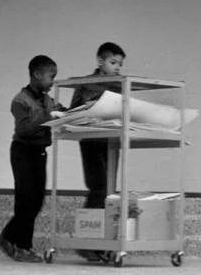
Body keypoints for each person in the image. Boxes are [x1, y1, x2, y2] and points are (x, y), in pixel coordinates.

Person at [0, 55, 67, 264]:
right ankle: (22, 247)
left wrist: (79, 111)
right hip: (22, 152)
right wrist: (49, 116)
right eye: (51, 76)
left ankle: (7, 238)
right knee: (25, 201)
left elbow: (62, 111)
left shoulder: (48, 99)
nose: (53, 81)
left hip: (39, 153)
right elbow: (24, 129)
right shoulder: (19, 100)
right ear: (37, 74)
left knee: (36, 202)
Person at [69, 42, 125, 262]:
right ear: (100, 61)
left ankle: (102, 242)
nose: (117, 67)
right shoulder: (86, 84)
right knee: (98, 186)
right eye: (113, 63)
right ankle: (86, 241)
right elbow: (74, 110)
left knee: (109, 189)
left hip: (112, 140)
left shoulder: (121, 85)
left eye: (120, 64)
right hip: (91, 140)